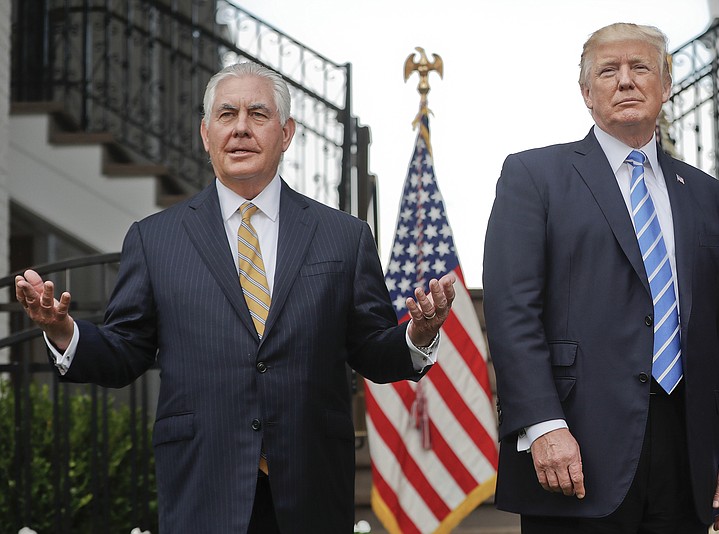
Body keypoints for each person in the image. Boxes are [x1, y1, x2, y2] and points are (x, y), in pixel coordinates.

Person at [15, 62, 456, 533]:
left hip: (310, 488)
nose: (241, 127)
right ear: (206, 133)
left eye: (257, 114)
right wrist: (63, 331)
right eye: (227, 114)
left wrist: (417, 334)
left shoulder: (343, 237)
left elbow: (371, 350)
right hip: (204, 486)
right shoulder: (155, 239)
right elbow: (126, 351)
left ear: (285, 133)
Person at [483, 22, 719, 534]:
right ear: (587, 92)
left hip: (688, 450)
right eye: (609, 71)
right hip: (574, 449)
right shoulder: (533, 176)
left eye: (641, 68)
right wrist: (543, 425)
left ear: (666, 85)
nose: (626, 81)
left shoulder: (707, 195)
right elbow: (511, 313)